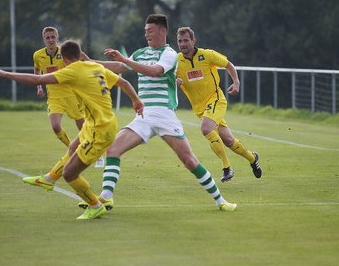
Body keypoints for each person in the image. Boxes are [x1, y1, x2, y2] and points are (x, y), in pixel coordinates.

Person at [81, 14, 237, 212]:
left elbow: (155, 71)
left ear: (162, 31)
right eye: (145, 31)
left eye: (150, 31)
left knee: (189, 160)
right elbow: (120, 67)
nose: (146, 34)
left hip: (164, 114)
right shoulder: (139, 53)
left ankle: (220, 201)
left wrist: (124, 60)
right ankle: (106, 197)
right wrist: (90, 62)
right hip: (144, 115)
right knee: (113, 149)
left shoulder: (170, 54)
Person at [0, 40, 144, 220]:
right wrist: (136, 100)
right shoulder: (94, 66)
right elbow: (123, 82)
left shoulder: (73, 70)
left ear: (65, 58)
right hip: (97, 124)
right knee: (72, 148)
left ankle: (95, 205)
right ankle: (50, 179)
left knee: (70, 173)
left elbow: (37, 80)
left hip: (99, 131)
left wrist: (3, 73)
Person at [176, 26, 262, 182]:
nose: (182, 44)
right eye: (180, 41)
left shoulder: (207, 55)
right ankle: (252, 158)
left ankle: (227, 168)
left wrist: (236, 82)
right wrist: (174, 80)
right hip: (200, 109)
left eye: (186, 40)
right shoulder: (176, 61)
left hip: (216, 100)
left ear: (193, 41)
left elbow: (228, 64)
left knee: (206, 128)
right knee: (229, 141)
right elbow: (165, 76)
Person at [34, 26, 104, 167]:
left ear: (57, 38)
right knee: (55, 126)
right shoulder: (38, 55)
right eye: (48, 37)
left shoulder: (65, 51)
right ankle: (72, 149)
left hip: (72, 94)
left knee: (84, 127)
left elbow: (83, 58)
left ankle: (98, 154)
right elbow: (37, 69)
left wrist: (91, 67)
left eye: (53, 37)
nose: (51, 40)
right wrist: (39, 86)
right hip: (54, 97)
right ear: (44, 39)